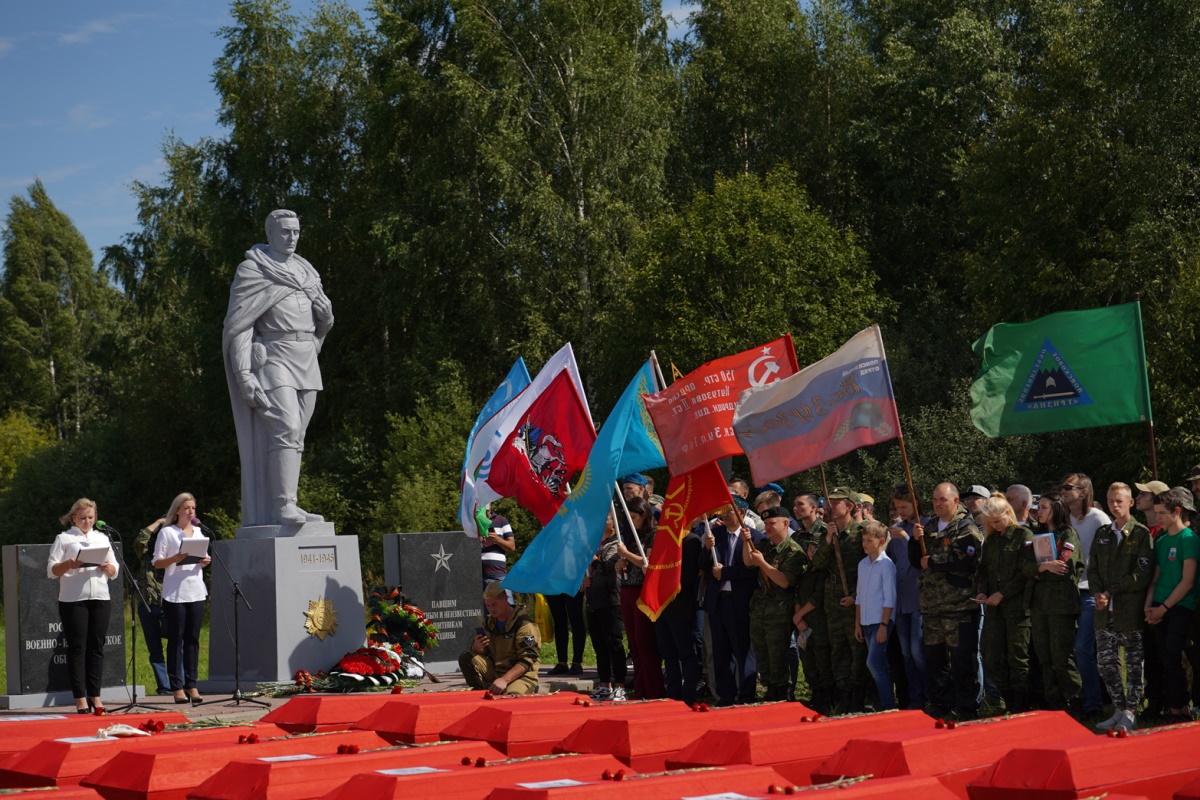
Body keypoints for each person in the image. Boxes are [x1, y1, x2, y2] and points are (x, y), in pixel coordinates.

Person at [222, 209, 335, 527]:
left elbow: (320, 325)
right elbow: (242, 325)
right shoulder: (252, 270)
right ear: (270, 233)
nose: (292, 237)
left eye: (297, 232)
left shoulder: (306, 271)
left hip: (306, 355)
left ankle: (291, 503)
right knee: (286, 426)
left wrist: (326, 321)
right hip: (273, 356)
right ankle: (281, 506)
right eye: (285, 232)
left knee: (297, 435)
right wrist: (244, 373)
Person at [910, 483, 983, 720]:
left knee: (963, 659)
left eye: (942, 499)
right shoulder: (929, 526)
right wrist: (914, 541)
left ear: (955, 500)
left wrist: (932, 562)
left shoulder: (966, 527)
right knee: (935, 658)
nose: (937, 504)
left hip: (959, 606)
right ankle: (941, 704)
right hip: (932, 607)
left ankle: (966, 707)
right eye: (934, 500)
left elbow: (964, 560)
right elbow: (916, 561)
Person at [1089, 482, 1152, 731]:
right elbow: (1092, 567)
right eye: (1111, 501)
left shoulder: (1141, 534)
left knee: (1135, 665)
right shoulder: (1103, 533)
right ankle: (1118, 708)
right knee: (1105, 664)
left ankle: (1131, 711)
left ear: (1130, 503)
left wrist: (1110, 591)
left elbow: (1141, 574)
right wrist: (1097, 593)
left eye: (1119, 501)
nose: (1115, 505)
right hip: (1104, 612)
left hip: (1129, 610)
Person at [48, 498, 119, 714]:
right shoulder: (64, 539)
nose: (87, 521)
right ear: (73, 518)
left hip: (100, 596)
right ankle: (80, 698)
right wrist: (68, 564)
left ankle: (95, 696)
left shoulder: (102, 538)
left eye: (91, 517)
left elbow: (115, 569)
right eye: (83, 518)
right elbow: (51, 570)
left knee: (96, 648)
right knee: (77, 647)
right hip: (73, 599)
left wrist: (108, 568)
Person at [1024, 492, 1083, 715]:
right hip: (1039, 605)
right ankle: (1054, 704)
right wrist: (1042, 568)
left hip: (1061, 605)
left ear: (1056, 510)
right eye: (1039, 507)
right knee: (1044, 656)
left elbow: (1064, 567)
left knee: (1061, 656)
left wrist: (1042, 570)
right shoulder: (1035, 535)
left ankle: (1075, 702)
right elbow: (1025, 567)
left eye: (1044, 507)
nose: (1039, 511)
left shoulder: (1068, 533)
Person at [1144, 487, 1199, 723]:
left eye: (1162, 513)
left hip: (1180, 607)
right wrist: (1149, 608)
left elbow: (1187, 582)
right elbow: (1155, 577)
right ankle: (1170, 706)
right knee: (1162, 657)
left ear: (1177, 511)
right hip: (1158, 606)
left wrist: (1163, 609)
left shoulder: (1190, 539)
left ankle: (1181, 708)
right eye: (1156, 512)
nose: (1158, 518)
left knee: (1173, 655)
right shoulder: (1162, 539)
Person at [812, 487, 869, 712]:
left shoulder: (862, 532)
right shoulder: (828, 533)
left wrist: (855, 597)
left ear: (850, 506)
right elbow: (817, 565)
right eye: (830, 501)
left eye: (837, 502)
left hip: (855, 601)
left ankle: (858, 698)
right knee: (838, 651)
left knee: (857, 650)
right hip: (833, 602)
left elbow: (872, 569)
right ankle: (843, 696)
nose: (830, 506)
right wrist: (827, 539)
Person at [975, 494, 1033, 713]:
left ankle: (1021, 707)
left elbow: (1025, 572)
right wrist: (982, 592)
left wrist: (1002, 593)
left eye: (998, 521)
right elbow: (983, 571)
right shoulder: (991, 540)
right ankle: (1008, 701)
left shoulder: (1022, 535)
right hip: (994, 609)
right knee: (991, 654)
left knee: (1017, 659)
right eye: (991, 523)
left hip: (1017, 608)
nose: (995, 526)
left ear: (1008, 514)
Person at [152, 493, 212, 705]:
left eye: (193, 508)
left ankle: (191, 684)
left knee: (193, 640)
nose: (190, 512)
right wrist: (174, 559)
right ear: (177, 510)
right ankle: (176, 686)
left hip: (196, 591)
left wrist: (205, 561)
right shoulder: (167, 533)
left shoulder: (199, 531)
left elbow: (200, 558)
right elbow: (157, 562)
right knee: (176, 640)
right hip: (175, 594)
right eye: (186, 508)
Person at [1059, 473, 1110, 719]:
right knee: (1068, 648)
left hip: (1092, 591)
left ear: (1083, 491)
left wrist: (1106, 590)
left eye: (1068, 487)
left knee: (1083, 647)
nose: (1063, 491)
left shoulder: (1097, 517)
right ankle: (1079, 700)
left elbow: (1110, 552)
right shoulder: (1064, 518)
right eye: (1063, 487)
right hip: (1068, 590)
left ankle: (1094, 705)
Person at [702, 502, 762, 705]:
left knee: (742, 650)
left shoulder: (754, 536)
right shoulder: (716, 534)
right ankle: (725, 696)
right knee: (720, 651)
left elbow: (753, 570)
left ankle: (745, 695)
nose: (723, 515)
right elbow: (704, 567)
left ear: (741, 512)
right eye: (721, 511)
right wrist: (706, 549)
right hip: (718, 601)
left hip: (741, 601)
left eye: (728, 511)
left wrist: (725, 573)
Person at [747, 506, 809, 701]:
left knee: (778, 653)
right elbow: (749, 562)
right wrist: (745, 542)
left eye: (772, 523)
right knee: (762, 651)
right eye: (765, 524)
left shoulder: (794, 551)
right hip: (761, 607)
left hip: (780, 608)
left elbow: (784, 581)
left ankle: (781, 691)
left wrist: (763, 563)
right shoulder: (766, 545)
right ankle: (769, 688)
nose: (768, 527)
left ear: (785, 523)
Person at [615, 497, 664, 699]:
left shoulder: (654, 535)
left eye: (634, 517)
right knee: (634, 644)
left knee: (645, 643)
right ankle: (640, 688)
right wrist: (621, 565)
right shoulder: (632, 537)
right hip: (627, 589)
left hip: (643, 592)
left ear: (644, 515)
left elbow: (649, 565)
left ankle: (654, 690)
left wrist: (628, 555)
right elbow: (629, 562)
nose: (631, 521)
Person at [886, 484, 928, 710]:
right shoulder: (896, 527)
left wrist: (904, 537)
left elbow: (922, 558)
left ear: (916, 503)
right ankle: (915, 699)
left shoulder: (925, 525)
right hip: (900, 599)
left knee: (918, 651)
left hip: (919, 597)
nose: (900, 511)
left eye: (904, 506)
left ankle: (931, 695)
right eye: (897, 507)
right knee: (906, 654)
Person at [459, 581, 541, 694]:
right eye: (488, 605)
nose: (491, 609)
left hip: (521, 676)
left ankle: (502, 689)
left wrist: (504, 680)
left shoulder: (524, 624)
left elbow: (527, 661)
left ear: (505, 599)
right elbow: (483, 652)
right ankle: (480, 691)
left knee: (511, 697)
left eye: (494, 605)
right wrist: (477, 648)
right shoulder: (489, 622)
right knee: (466, 657)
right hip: (497, 672)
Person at [133, 516, 176, 695]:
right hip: (147, 605)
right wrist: (159, 522)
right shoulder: (145, 555)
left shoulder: (174, 554)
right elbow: (140, 539)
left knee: (175, 643)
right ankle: (164, 687)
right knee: (154, 648)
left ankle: (177, 684)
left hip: (170, 603)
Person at [585, 512, 626, 700]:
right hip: (593, 601)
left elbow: (607, 567)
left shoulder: (617, 545)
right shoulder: (595, 544)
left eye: (605, 519)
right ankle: (604, 685)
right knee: (599, 645)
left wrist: (593, 559)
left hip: (610, 600)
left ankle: (620, 684)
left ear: (614, 524)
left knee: (614, 644)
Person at [856, 520, 896, 710]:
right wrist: (858, 623)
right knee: (878, 664)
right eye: (863, 540)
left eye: (869, 540)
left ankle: (888, 705)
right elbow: (859, 596)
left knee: (874, 664)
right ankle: (882, 703)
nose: (865, 544)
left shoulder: (886, 565)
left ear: (881, 541)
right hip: (866, 621)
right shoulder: (862, 564)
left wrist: (884, 625)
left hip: (880, 622)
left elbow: (890, 598)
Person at [477, 505, 515, 589]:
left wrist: (497, 539)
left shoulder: (501, 520)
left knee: (503, 601)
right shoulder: (473, 523)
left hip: (497, 575)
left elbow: (512, 547)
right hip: (476, 577)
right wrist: (476, 541)